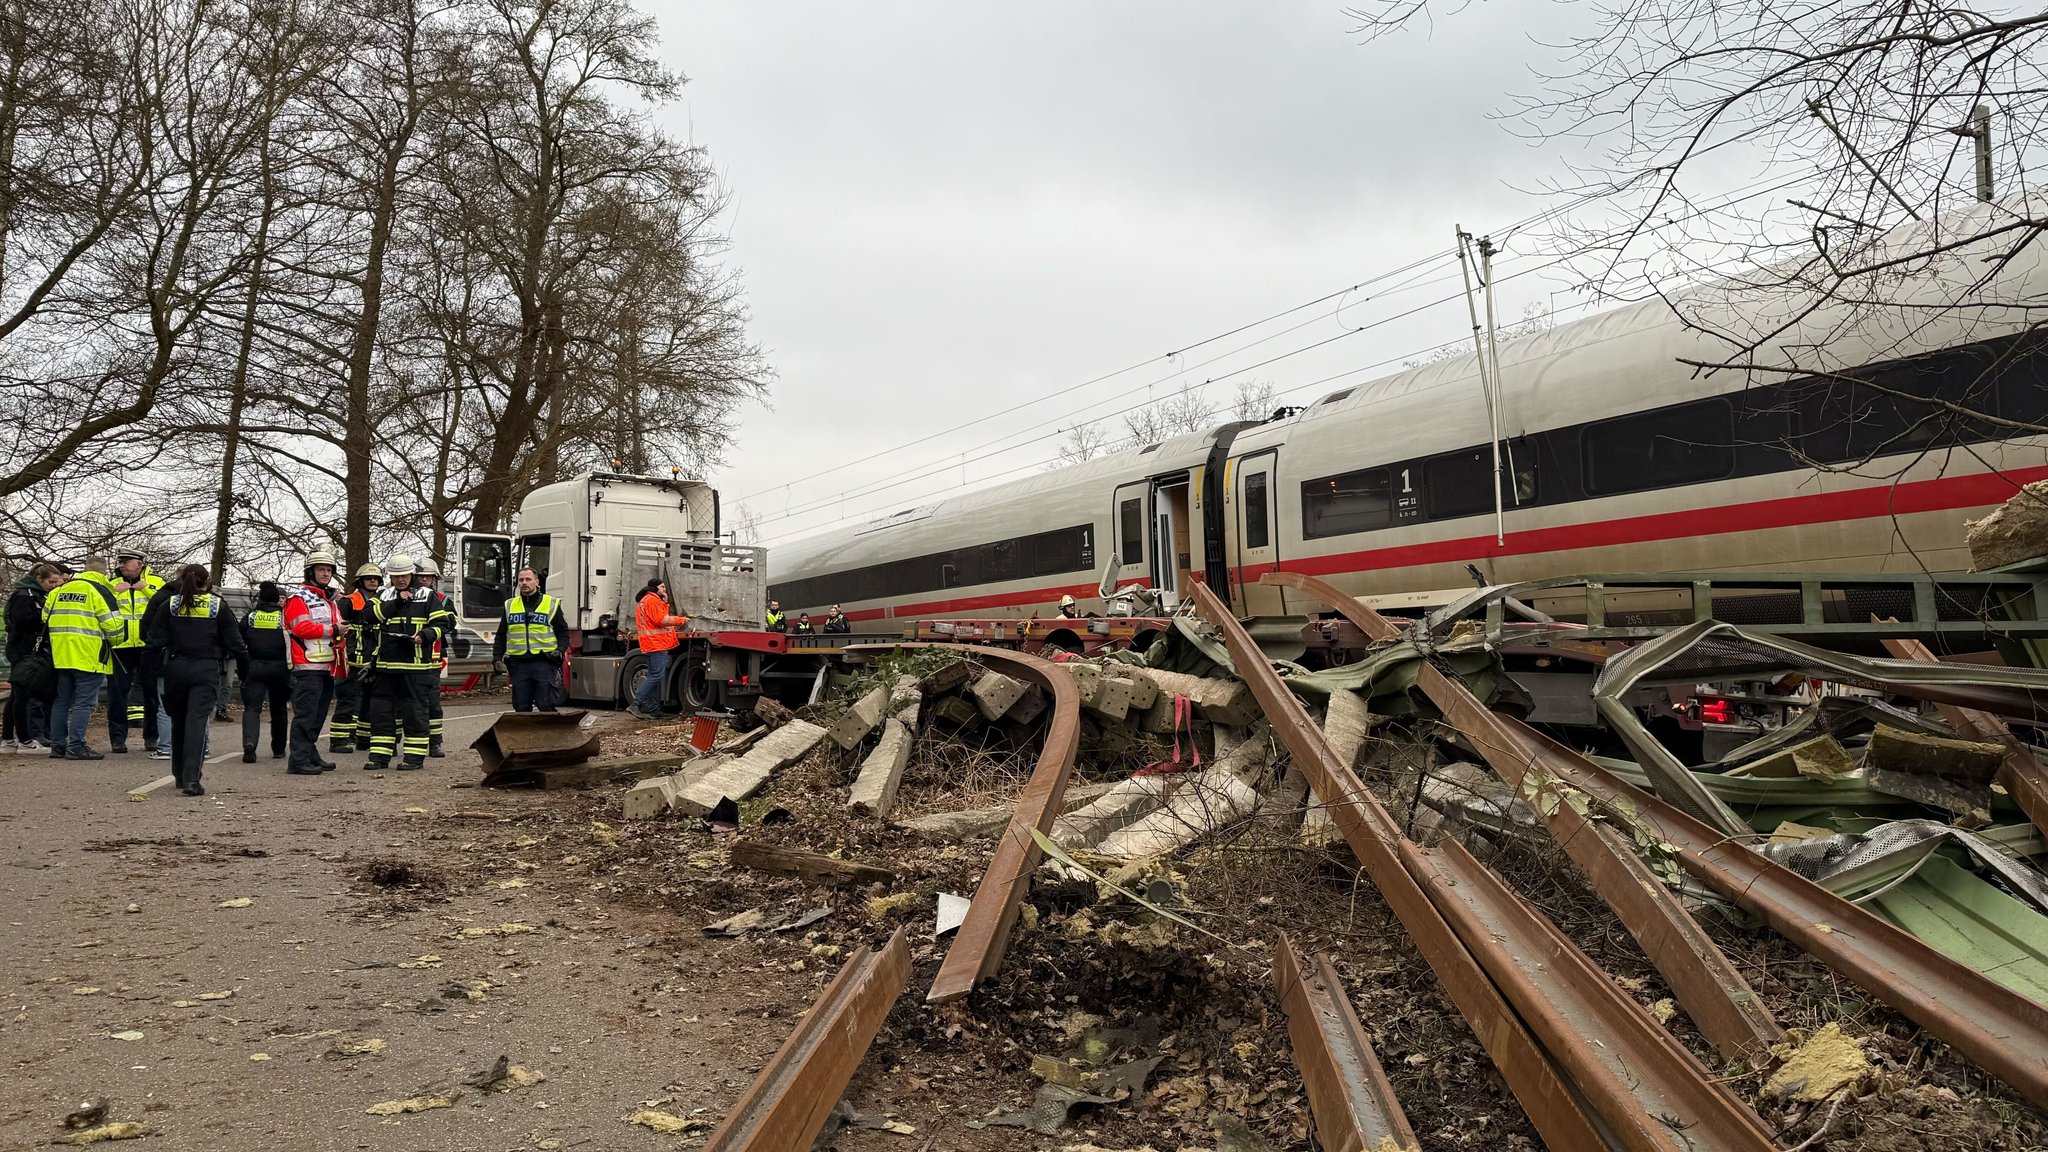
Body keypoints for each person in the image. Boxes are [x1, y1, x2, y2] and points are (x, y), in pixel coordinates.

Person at [144, 564, 245, 795]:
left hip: (176, 667)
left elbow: (153, 640)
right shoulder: (217, 605)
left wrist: (149, 671)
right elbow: (235, 642)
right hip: (206, 667)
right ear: (207, 581)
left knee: (178, 721)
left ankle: (179, 774)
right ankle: (192, 779)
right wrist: (245, 670)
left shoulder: (169, 605)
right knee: (196, 722)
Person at [365, 554, 449, 770]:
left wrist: (426, 635)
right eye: (395, 575)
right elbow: (370, 616)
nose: (400, 579)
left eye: (403, 575)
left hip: (415, 667)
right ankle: (379, 757)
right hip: (385, 666)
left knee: (414, 713)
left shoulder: (428, 596)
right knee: (381, 713)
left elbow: (442, 623)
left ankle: (413, 758)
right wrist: (397, 601)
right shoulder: (384, 595)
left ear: (412, 574)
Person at [42, 560, 124, 760]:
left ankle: (58, 745)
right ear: (103, 572)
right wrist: (115, 640)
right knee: (84, 703)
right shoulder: (101, 591)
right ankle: (76, 745)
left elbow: (45, 617)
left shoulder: (58, 591)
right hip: (89, 654)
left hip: (61, 655)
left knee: (62, 701)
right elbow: (114, 626)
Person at [282, 550, 345, 775]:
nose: (326, 574)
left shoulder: (329, 599)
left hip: (326, 666)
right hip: (305, 667)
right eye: (321, 569)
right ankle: (298, 761)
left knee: (317, 716)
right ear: (311, 571)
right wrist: (334, 629)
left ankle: (309, 753)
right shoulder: (299, 598)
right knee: (306, 716)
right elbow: (299, 628)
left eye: (329, 570)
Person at [106, 548, 164, 753]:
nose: (121, 565)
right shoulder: (111, 584)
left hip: (147, 646)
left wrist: (145, 589)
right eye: (120, 562)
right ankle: (118, 740)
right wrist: (115, 592)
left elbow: (166, 604)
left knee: (152, 694)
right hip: (120, 647)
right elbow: (100, 608)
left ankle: (151, 737)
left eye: (126, 561)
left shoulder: (156, 583)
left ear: (139, 564)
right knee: (117, 695)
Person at [4, 563, 64, 750]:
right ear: (39, 579)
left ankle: (8, 738)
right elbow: (23, 623)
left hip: (24, 650)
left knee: (17, 695)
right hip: (24, 651)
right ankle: (24, 739)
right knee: (21, 696)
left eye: (56, 582)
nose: (54, 585)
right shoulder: (26, 596)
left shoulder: (32, 595)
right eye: (51, 582)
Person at [493, 567, 569, 713]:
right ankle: (525, 736)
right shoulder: (510, 605)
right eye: (521, 580)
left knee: (546, 704)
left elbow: (563, 632)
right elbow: (501, 635)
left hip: (544, 661)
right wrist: (496, 658)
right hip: (519, 664)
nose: (524, 583)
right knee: (521, 707)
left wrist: (559, 651)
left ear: (537, 582)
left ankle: (551, 735)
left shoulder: (551, 604)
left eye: (528, 579)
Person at [330, 563, 382, 753]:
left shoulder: (382, 602)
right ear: (360, 581)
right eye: (368, 578)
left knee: (370, 700)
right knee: (347, 699)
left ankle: (363, 739)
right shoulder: (348, 601)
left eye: (375, 578)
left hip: (373, 661)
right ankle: (338, 740)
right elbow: (338, 628)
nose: (372, 581)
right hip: (351, 661)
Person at [237, 581, 290, 764]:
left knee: (252, 708)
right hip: (280, 669)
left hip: (255, 667)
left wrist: (243, 668)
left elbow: (239, 639)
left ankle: (249, 744)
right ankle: (279, 749)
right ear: (277, 600)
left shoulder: (251, 617)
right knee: (279, 709)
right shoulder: (284, 618)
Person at [628, 579, 688, 719]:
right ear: (655, 588)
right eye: (662, 587)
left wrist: (665, 602)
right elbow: (661, 620)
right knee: (656, 675)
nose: (664, 589)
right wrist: (681, 620)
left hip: (651, 643)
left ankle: (654, 710)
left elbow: (658, 616)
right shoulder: (652, 601)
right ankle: (635, 703)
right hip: (657, 643)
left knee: (654, 675)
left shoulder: (645, 600)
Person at [415, 557, 449, 756]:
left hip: (434, 657)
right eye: (421, 577)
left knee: (433, 701)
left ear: (434, 579)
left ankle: (435, 742)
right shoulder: (406, 598)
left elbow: (448, 623)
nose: (424, 580)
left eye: (428, 577)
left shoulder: (443, 600)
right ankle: (394, 741)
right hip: (409, 657)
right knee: (406, 702)